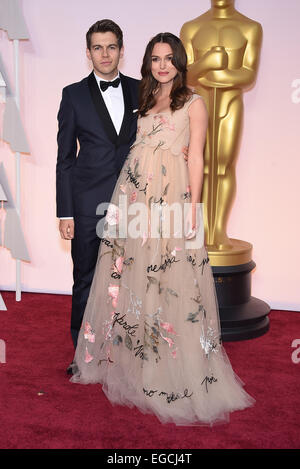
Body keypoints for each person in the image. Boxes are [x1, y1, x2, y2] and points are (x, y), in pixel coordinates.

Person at [71, 32, 255, 426]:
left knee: (172, 280)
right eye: (155, 58)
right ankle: (136, 364)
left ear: (180, 61)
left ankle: (173, 370)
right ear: (148, 63)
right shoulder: (144, 99)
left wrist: (194, 209)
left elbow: (198, 160)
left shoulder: (193, 102)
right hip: (135, 199)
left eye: (169, 58)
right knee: (135, 276)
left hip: (172, 201)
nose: (162, 65)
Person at [56, 20, 140, 371]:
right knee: (86, 279)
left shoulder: (142, 90)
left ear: (122, 49)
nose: (105, 54)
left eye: (111, 47)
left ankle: (128, 351)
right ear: (88, 52)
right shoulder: (73, 94)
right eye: (97, 47)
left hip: (135, 203)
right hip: (88, 203)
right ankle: (83, 355)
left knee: (133, 280)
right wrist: (65, 212)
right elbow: (64, 158)